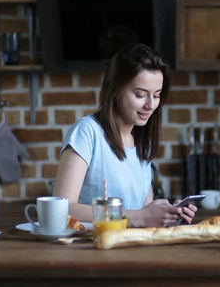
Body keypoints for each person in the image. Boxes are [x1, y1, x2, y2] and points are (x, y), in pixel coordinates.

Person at [53, 43, 197, 227]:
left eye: (157, 95)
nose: (151, 105)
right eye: (140, 94)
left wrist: (169, 215)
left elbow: (143, 215)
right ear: (116, 90)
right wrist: (139, 217)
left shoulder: (143, 142)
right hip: (90, 248)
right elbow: (62, 208)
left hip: (132, 248)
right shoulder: (88, 132)